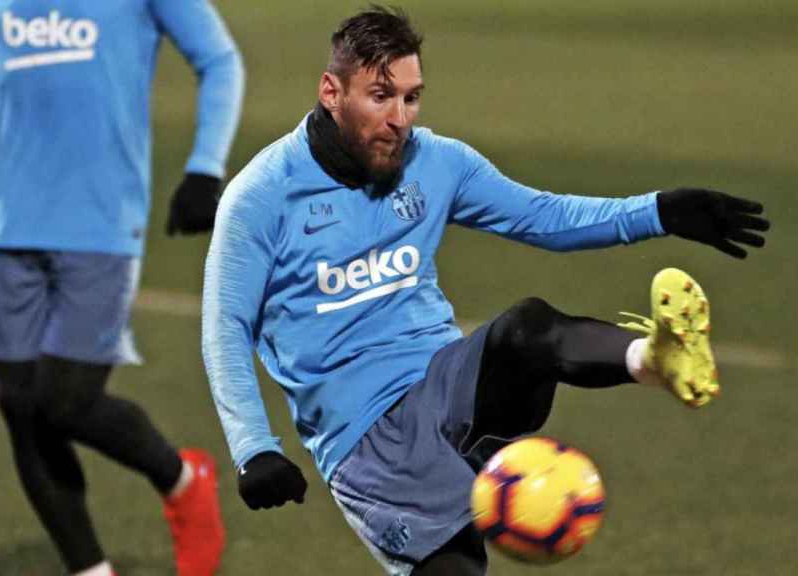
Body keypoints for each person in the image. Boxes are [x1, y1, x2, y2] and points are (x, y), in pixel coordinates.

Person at [202, 6, 769, 576]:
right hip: (368, 441)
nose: (400, 118)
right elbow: (226, 326)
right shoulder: (261, 197)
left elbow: (545, 217)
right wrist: (255, 447)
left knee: (528, 329)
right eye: (380, 96)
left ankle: (654, 358)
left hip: (449, 383)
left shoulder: (436, 162)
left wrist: (660, 211)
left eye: (412, 97)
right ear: (331, 91)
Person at [0, 1, 244, 574]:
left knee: (67, 400)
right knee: (19, 404)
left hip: (101, 222)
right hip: (2, 222)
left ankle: (181, 478)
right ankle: (89, 568)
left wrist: (206, 167)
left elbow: (219, 59)